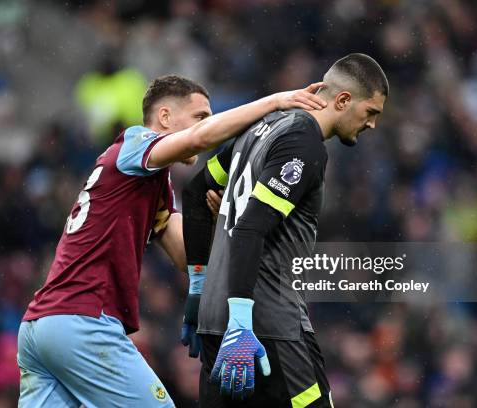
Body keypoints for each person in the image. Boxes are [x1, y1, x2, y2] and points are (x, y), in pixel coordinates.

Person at [17, 74, 327, 408]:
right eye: (200, 116)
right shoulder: (136, 142)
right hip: (82, 321)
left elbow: (184, 255)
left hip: (42, 326)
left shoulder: (150, 183)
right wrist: (274, 102)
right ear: (164, 117)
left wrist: (216, 217)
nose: (207, 126)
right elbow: (197, 140)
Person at [181, 53, 389, 407]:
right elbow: (249, 228)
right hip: (267, 329)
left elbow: (195, 192)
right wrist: (242, 322)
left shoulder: (259, 129)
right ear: (342, 100)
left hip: (217, 324)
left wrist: (199, 290)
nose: (371, 125)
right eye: (370, 113)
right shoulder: (304, 144)